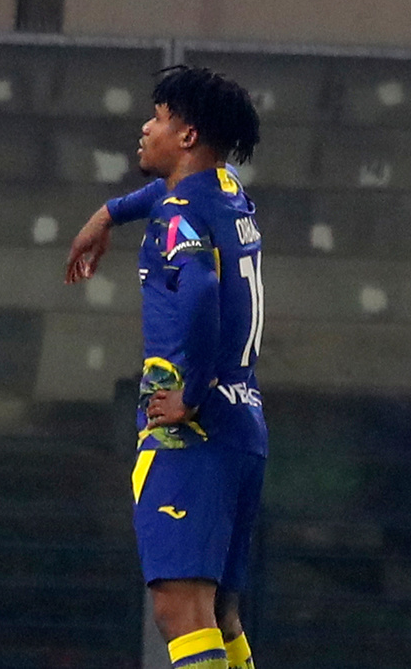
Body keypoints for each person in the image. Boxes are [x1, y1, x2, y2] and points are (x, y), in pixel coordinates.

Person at [66, 66, 264, 669]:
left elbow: (201, 292)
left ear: (186, 136)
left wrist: (190, 396)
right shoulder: (227, 192)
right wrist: (109, 213)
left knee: (179, 611)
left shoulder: (180, 216)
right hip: (243, 425)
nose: (145, 127)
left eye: (158, 116)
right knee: (219, 612)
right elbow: (170, 195)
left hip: (191, 429)